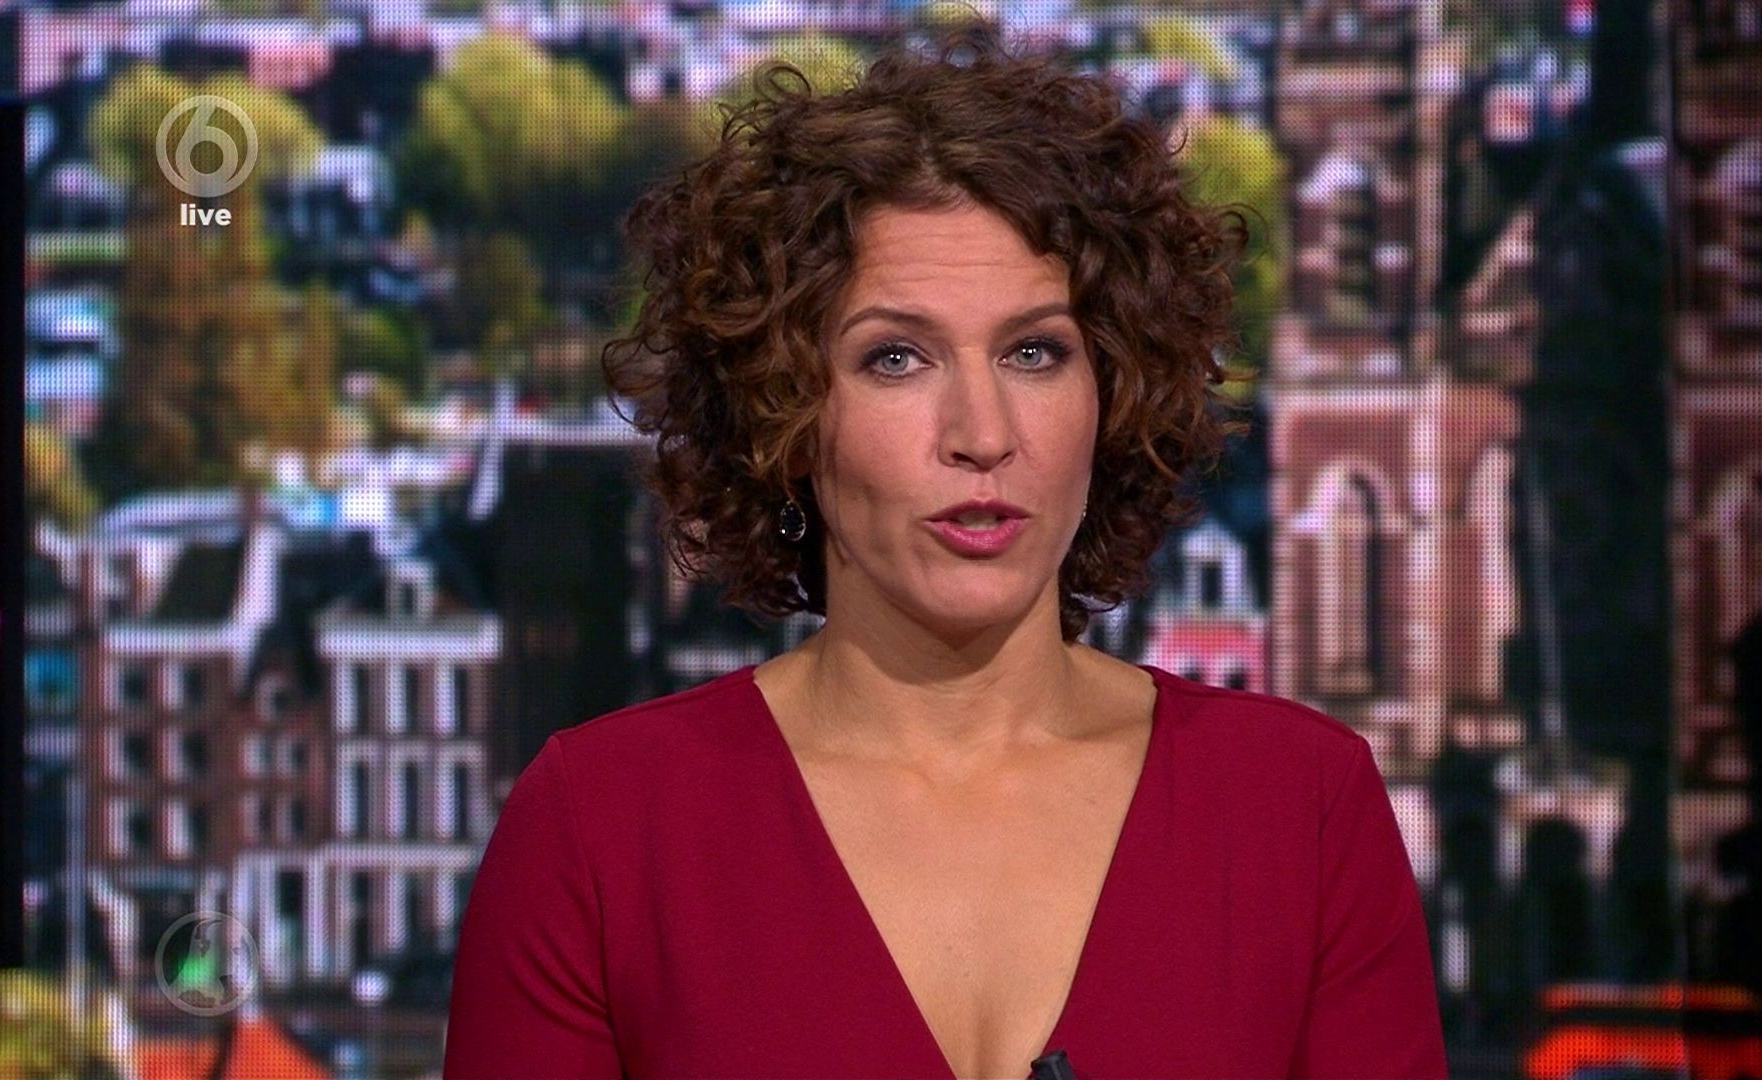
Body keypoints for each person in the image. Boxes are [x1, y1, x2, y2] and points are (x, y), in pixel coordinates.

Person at [444, 21, 1447, 1080]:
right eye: (897, 358)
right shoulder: (602, 831)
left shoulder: (1300, 809)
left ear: (1114, 395)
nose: (981, 431)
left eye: (1035, 352)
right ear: (783, 410)